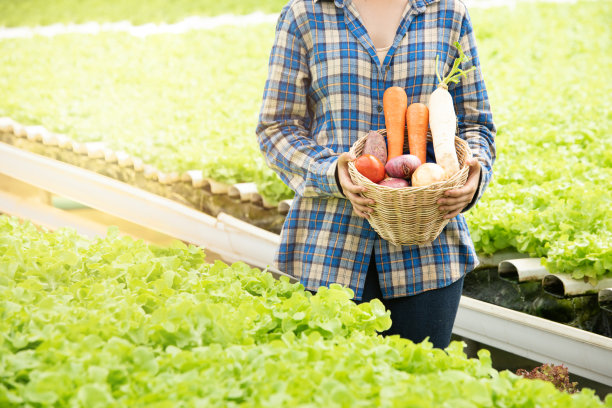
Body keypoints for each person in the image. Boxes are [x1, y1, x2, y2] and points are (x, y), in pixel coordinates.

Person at [256, 0, 496, 349]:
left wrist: (474, 176)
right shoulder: (305, 14)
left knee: (420, 393)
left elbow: (477, 124)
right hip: (328, 249)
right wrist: (331, 173)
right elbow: (276, 127)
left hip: (429, 252)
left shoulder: (447, 12)